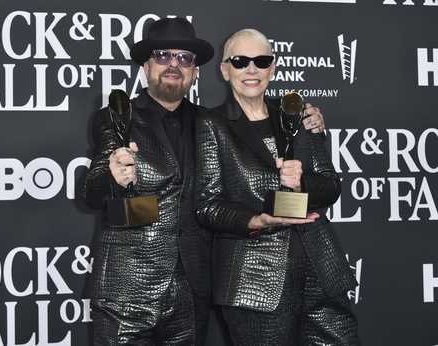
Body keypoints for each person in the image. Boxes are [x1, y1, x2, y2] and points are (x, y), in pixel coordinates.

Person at [195, 29, 360, 345]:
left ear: (273, 66)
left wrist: (301, 183)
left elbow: (330, 185)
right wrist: (257, 220)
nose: (252, 70)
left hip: (320, 268)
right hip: (256, 279)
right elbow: (207, 204)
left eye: (261, 60)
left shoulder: (296, 114)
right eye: (241, 61)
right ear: (225, 69)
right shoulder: (211, 124)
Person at [83, 18, 215, 345]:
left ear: (195, 71)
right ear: (146, 66)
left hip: (191, 294)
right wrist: (111, 177)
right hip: (125, 293)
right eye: (163, 55)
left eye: (184, 58)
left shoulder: (212, 124)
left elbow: (256, 121)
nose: (173, 64)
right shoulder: (116, 116)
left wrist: (305, 116)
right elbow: (90, 191)